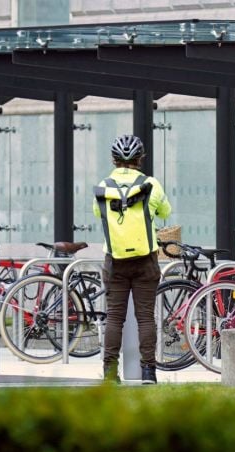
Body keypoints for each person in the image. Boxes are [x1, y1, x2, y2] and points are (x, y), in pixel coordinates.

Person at [93, 134, 171, 384]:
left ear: (113, 159)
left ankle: (109, 373)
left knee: (115, 318)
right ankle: (148, 371)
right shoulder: (151, 185)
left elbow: (98, 214)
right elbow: (165, 212)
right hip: (146, 260)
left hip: (114, 260)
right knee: (145, 317)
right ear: (140, 158)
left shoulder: (103, 186)